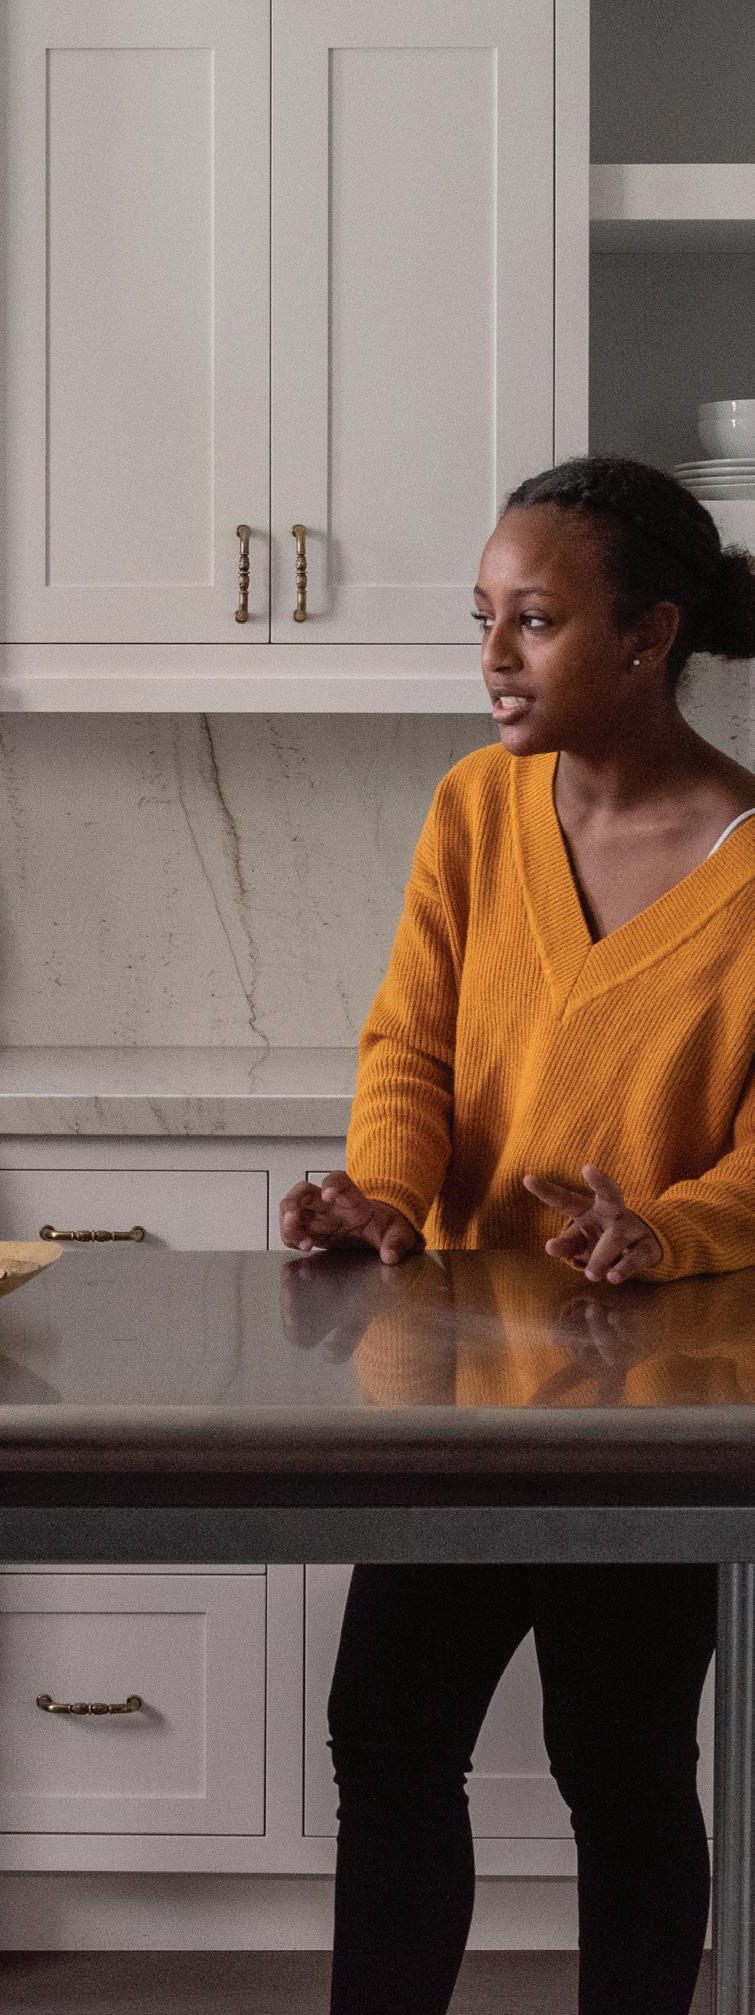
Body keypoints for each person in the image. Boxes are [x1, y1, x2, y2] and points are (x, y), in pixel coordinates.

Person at [279, 454, 755, 2015]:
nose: (490, 655)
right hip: (450, 1378)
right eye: (479, 615)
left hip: (652, 1401)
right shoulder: (473, 807)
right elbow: (409, 1048)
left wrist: (665, 1226)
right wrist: (380, 1191)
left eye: (532, 620)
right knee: (383, 1731)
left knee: (617, 1759)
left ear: (646, 634)